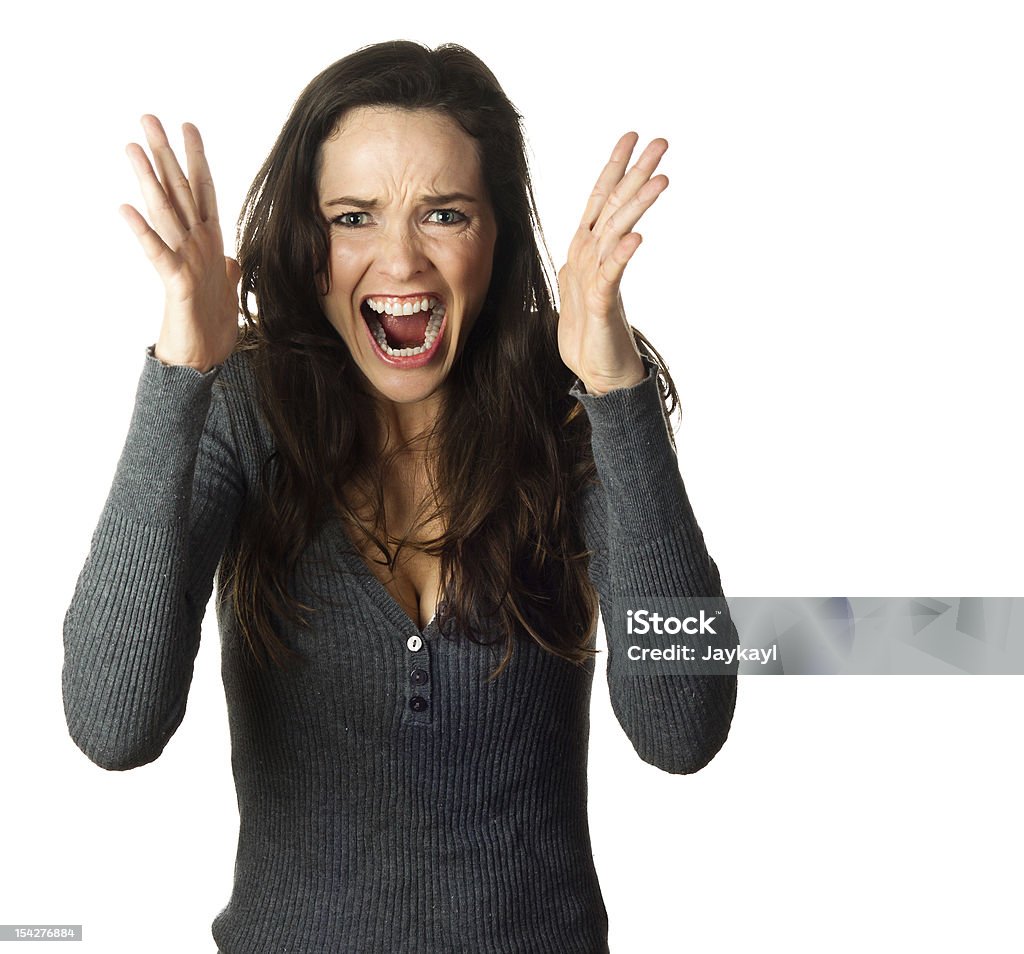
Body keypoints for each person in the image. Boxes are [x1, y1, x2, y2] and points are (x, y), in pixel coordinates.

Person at [63, 40, 737, 954]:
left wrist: (615, 396)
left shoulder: (566, 404)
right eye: (354, 216)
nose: (400, 261)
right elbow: (112, 724)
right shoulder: (243, 411)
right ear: (310, 248)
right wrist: (182, 376)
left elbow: (683, 725)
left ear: (496, 238)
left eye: (445, 214)